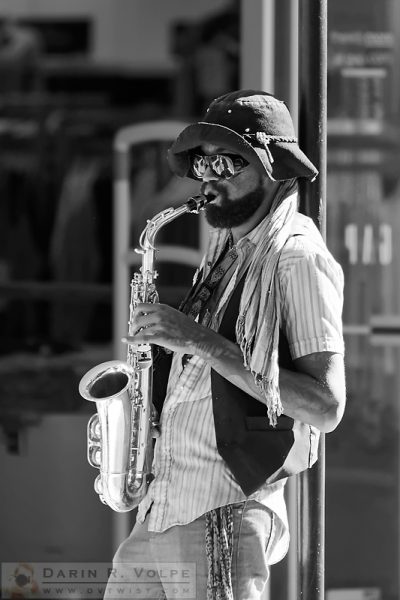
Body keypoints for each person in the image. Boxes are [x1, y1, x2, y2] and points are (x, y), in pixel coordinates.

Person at [104, 90, 346, 600]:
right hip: (164, 507)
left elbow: (324, 406)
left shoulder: (296, 256)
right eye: (201, 162)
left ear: (273, 168)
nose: (208, 175)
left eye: (227, 161)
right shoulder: (227, 249)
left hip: (220, 510)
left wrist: (195, 339)